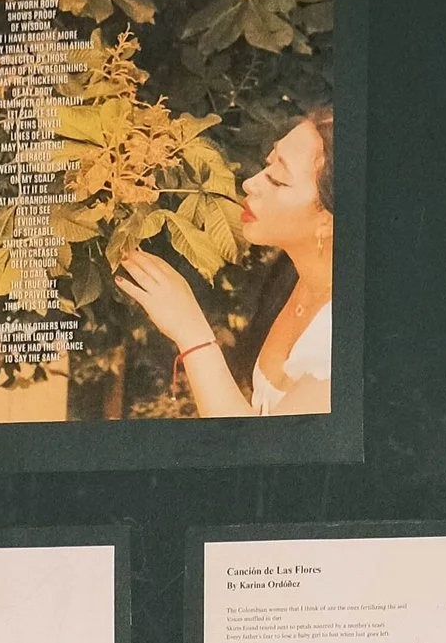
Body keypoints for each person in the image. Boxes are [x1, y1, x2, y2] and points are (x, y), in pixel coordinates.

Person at [113, 109, 334, 416]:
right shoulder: (294, 278)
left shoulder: (340, 343)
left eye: (278, 180)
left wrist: (191, 331)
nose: (251, 184)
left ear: (329, 221)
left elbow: (260, 455)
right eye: (268, 164)